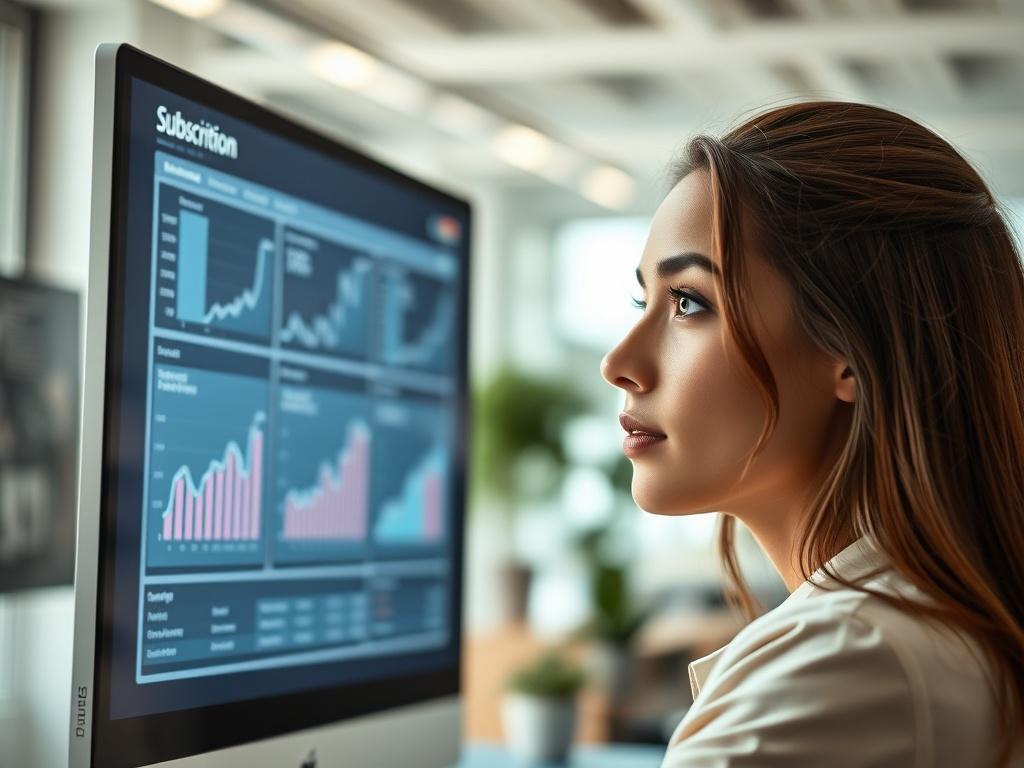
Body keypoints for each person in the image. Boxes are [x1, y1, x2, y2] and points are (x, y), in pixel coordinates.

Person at [600, 101, 1024, 767]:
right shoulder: (911, 633)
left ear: (850, 353)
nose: (618, 362)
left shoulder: (846, 667)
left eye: (689, 303)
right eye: (642, 301)